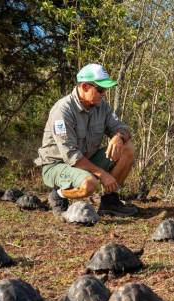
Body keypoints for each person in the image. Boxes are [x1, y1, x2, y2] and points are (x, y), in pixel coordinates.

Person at [35, 63, 138, 216]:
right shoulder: (63, 111)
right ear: (84, 87)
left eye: (105, 90)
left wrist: (118, 137)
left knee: (128, 149)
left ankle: (109, 201)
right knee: (90, 184)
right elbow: (71, 157)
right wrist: (103, 174)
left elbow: (123, 128)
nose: (104, 94)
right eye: (100, 89)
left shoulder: (101, 106)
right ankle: (59, 195)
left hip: (85, 161)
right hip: (57, 165)